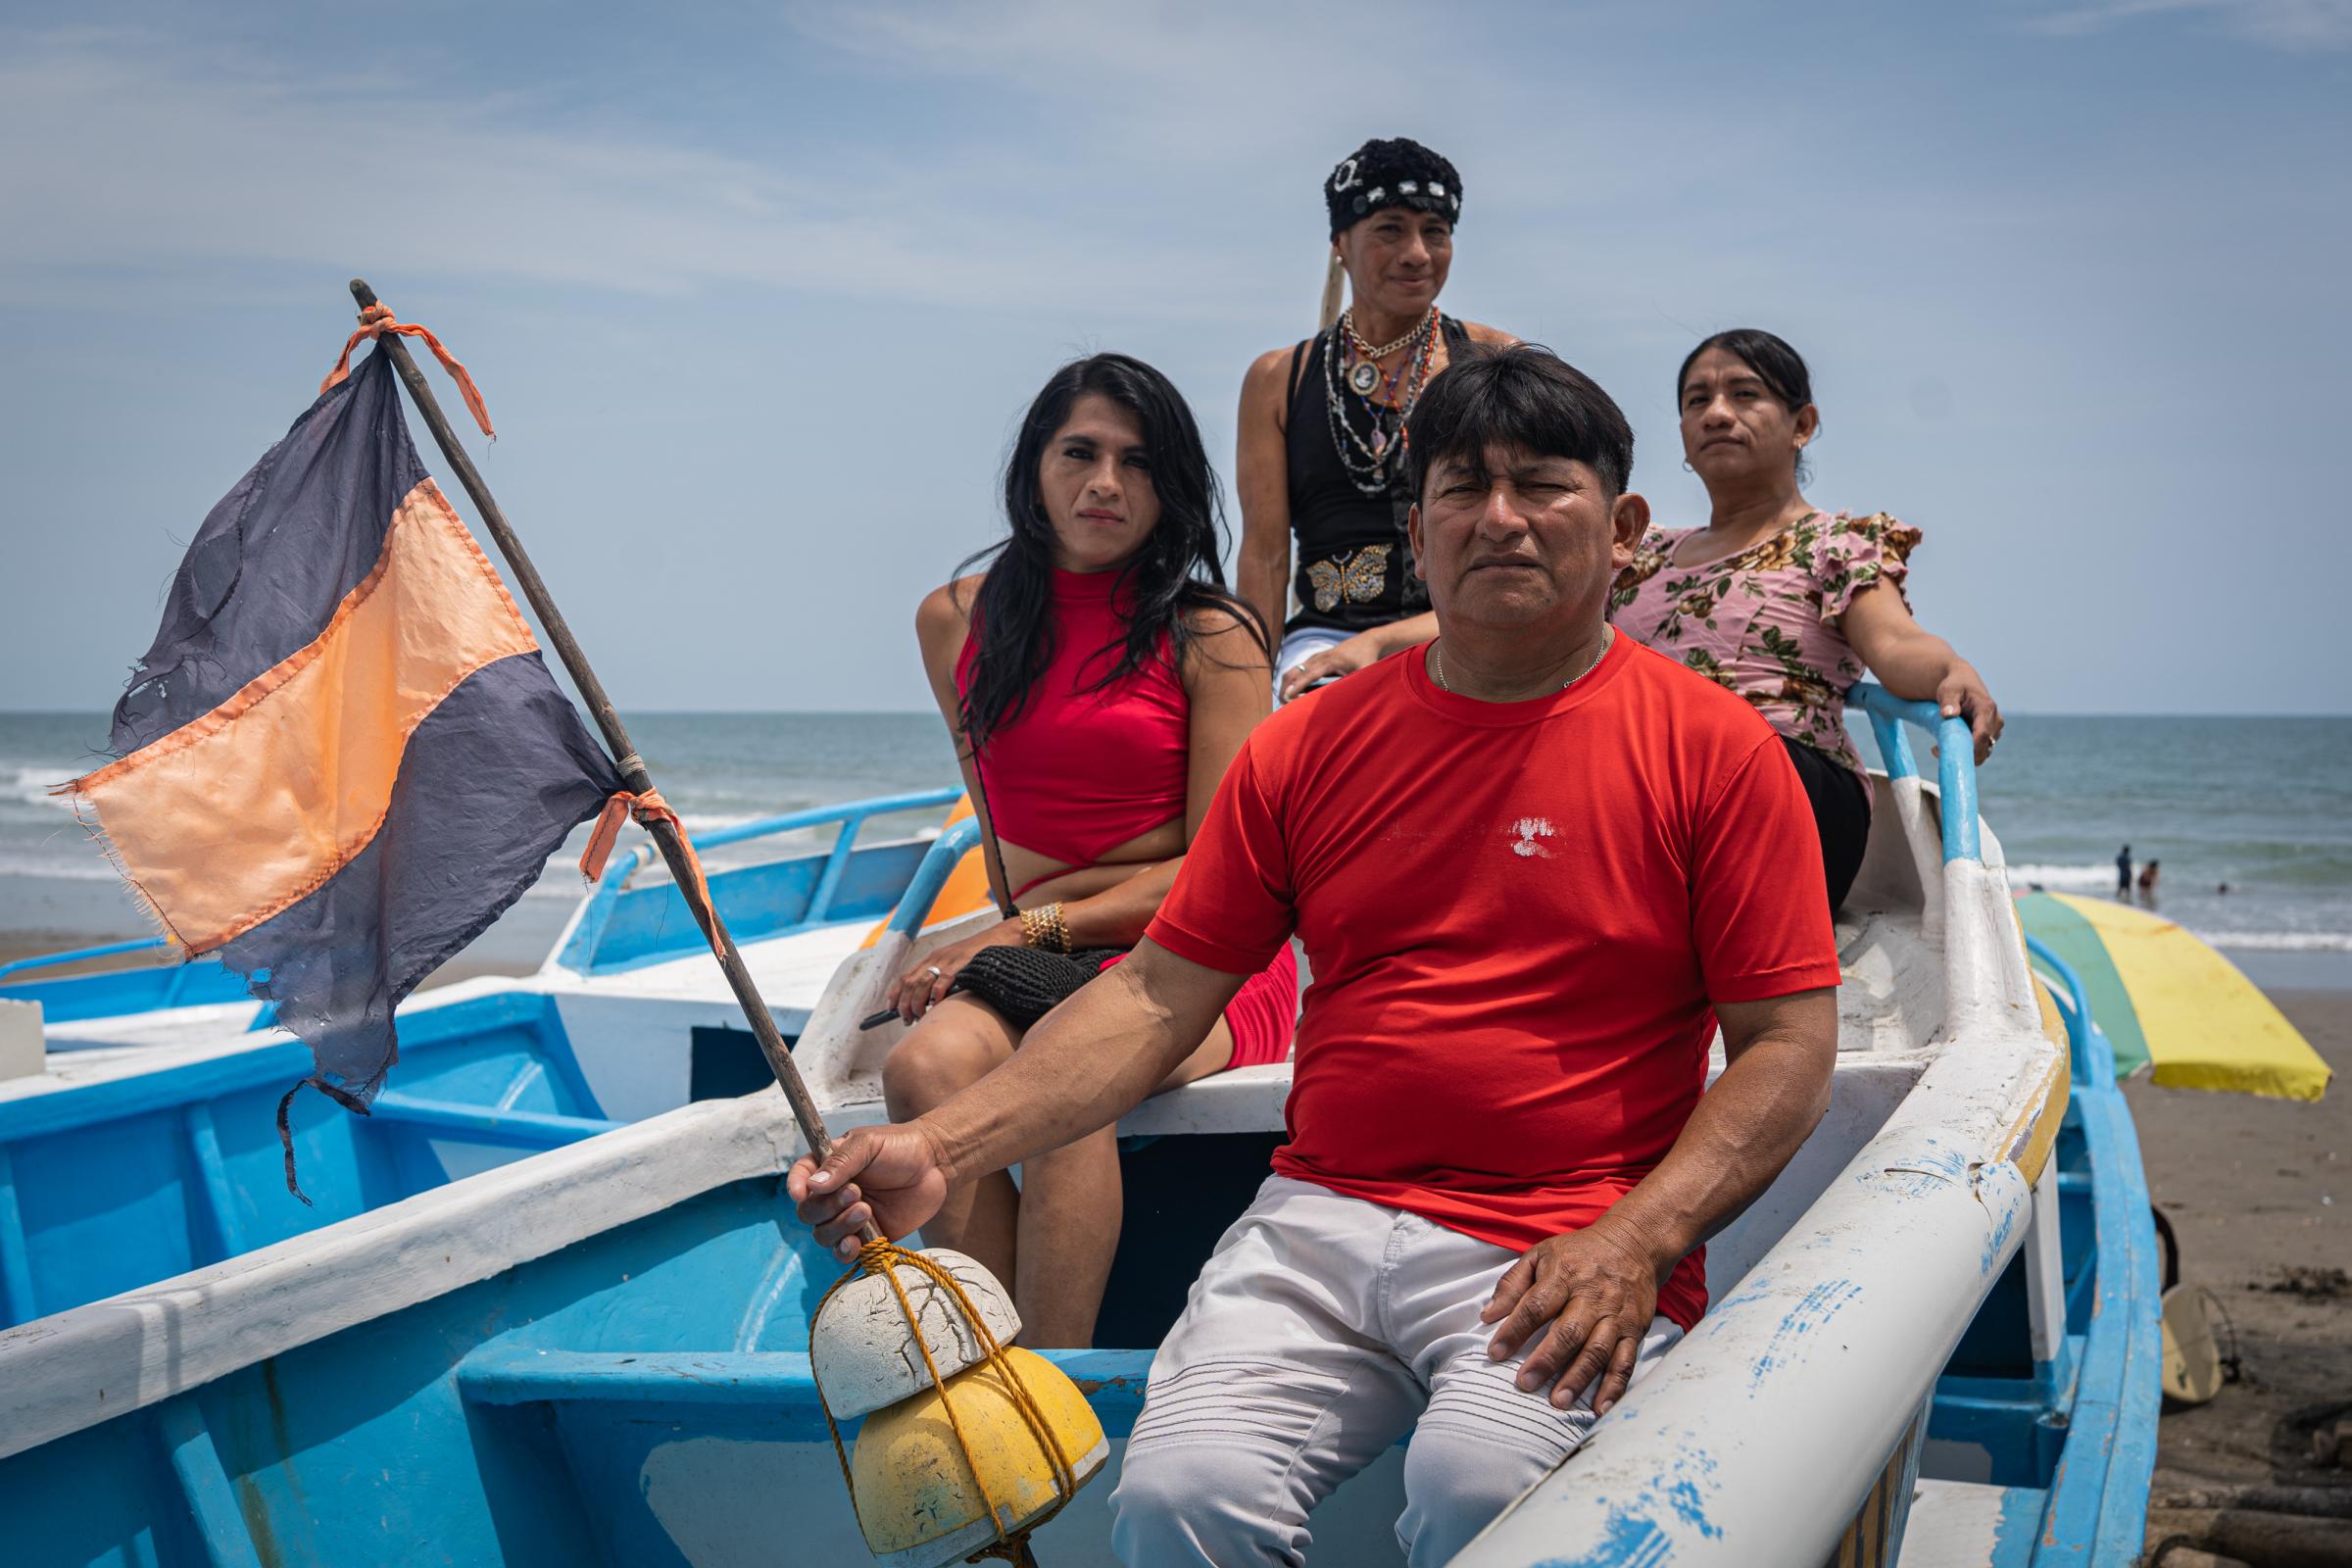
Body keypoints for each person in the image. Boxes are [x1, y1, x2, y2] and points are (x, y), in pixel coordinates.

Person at [795, 346, 1843, 1565]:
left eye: (1541, 485)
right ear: (1417, 523)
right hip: (1322, 1215)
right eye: (1463, 487)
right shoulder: (1314, 747)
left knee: (1483, 1491)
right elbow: (1150, 997)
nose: (1498, 518)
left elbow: (1790, 1050)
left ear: (1621, 525)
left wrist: (1639, 1239)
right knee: (1178, 1498)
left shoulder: (1713, 751)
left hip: (1568, 1234)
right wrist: (938, 1146)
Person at [886, 353, 1298, 1348]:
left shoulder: (1214, 634)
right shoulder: (956, 621)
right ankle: (995, 1372)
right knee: (920, 1069)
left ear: (1175, 489)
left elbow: (1220, 870)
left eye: (1139, 462)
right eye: (1080, 453)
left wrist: (1024, 925)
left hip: (1199, 953)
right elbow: (994, 824)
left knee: (1067, 1075)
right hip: (1055, 953)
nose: (1106, 483)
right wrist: (1011, 929)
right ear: (1035, 467)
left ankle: (1053, 1377)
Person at [1612, 328, 2003, 913]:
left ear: (1803, 425)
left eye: (1744, 395)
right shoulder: (1638, 557)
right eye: (1697, 401)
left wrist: (1952, 668)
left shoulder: (1834, 545)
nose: (1717, 414)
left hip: (1788, 789)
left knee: (1722, 750)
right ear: (1683, 436)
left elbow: (1895, 644)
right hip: (1643, 785)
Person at [1235, 136, 1517, 703]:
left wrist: (1386, 642)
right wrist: (1245, 689)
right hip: (1324, 642)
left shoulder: (1495, 359)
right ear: (1340, 243)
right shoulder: (1278, 380)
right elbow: (1265, 557)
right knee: (1315, 723)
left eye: (1435, 232)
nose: (1417, 252)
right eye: (1390, 229)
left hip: (1467, 629)